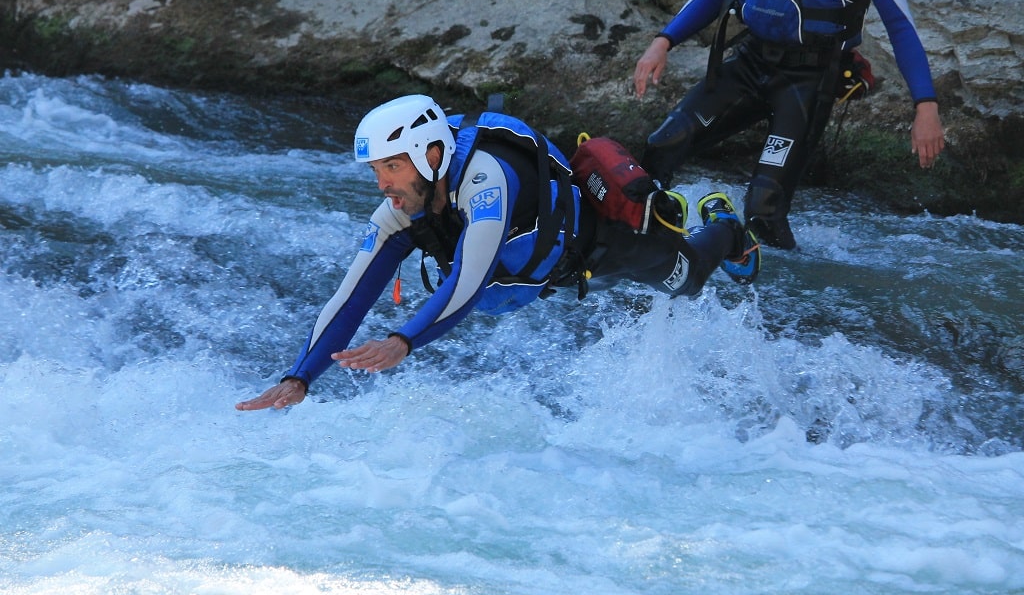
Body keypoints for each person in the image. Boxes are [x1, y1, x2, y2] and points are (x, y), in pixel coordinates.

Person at [236, 94, 761, 411]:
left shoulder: (489, 180)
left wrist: (402, 340)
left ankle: (724, 225)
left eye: (391, 168)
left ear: (431, 154)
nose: (381, 185)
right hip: (551, 272)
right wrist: (299, 377)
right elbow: (349, 297)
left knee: (687, 281)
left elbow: (469, 278)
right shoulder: (403, 205)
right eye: (376, 171)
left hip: (600, 246)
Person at [633, 0, 945, 250]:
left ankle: (773, 291)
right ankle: (639, 235)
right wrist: (663, 41)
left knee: (763, 209)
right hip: (749, 63)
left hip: (809, 82)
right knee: (663, 144)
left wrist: (925, 106)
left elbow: (900, 24)